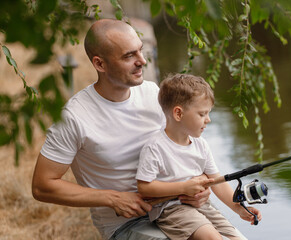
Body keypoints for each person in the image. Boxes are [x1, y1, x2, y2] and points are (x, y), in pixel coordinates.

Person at [31, 19, 211, 240]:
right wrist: (112, 198)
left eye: (140, 51)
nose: (142, 61)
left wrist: (200, 187)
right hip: (126, 224)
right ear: (100, 64)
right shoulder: (73, 118)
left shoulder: (153, 93)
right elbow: (42, 186)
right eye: (129, 56)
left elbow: (181, 147)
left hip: (176, 207)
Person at [137, 74, 262, 240]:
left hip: (202, 205)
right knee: (212, 238)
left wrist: (238, 208)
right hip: (171, 210)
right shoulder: (155, 147)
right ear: (178, 114)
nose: (208, 120)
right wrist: (183, 188)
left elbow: (216, 180)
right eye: (202, 114)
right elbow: (144, 187)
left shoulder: (201, 145)